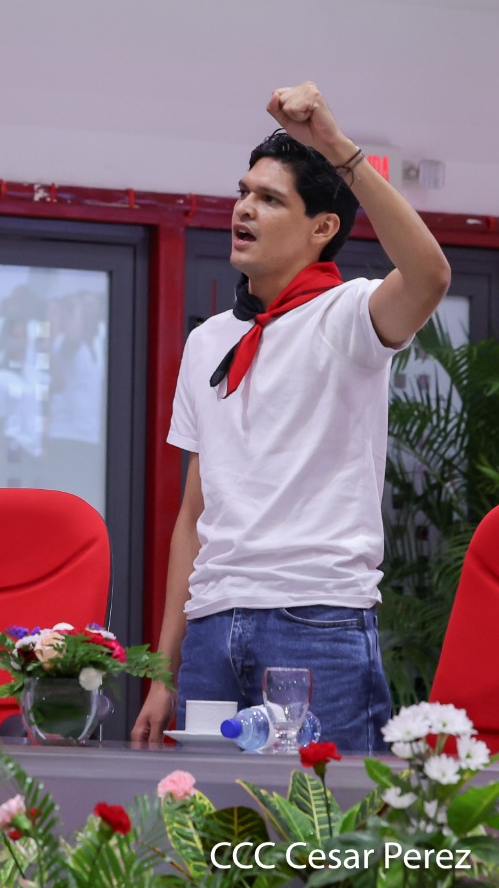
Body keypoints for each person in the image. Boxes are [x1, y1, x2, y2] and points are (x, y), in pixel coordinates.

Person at [132, 83, 450, 753]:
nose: (244, 208)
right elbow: (194, 513)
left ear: (322, 228)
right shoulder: (207, 341)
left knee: (323, 816)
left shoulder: (349, 315)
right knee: (210, 815)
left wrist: (336, 147)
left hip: (316, 621)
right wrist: (163, 668)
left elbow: (429, 276)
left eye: (270, 199)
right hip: (212, 626)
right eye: (243, 192)